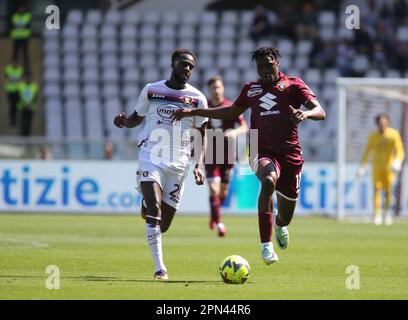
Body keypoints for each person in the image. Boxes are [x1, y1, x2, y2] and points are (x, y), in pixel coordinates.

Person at [172, 46, 326, 265]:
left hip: (290, 155)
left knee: (286, 216)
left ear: (277, 63)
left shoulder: (293, 85)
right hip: (259, 149)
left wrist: (306, 113)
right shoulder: (250, 89)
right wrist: (195, 112)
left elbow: (320, 111)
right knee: (268, 179)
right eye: (260, 66)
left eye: (268, 65)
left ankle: (279, 225)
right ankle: (266, 246)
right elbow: (229, 111)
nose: (264, 70)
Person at [113, 49, 208, 280]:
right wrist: (124, 122)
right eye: (183, 64)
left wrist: (199, 164)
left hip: (179, 163)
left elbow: (202, 134)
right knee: (155, 210)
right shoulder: (152, 89)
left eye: (191, 66)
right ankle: (160, 269)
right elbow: (137, 116)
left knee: (162, 225)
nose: (187, 69)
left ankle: (146, 206)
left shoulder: (197, 98)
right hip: (150, 156)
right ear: (172, 63)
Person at [205, 76, 247, 237]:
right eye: (213, 88)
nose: (216, 90)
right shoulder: (206, 108)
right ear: (209, 90)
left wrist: (234, 132)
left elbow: (244, 126)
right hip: (210, 153)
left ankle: (214, 215)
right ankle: (219, 224)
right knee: (213, 188)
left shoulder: (231, 106)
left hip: (228, 154)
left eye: (218, 87)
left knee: (223, 192)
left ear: (222, 88)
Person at [357, 114, 405, 225]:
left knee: (388, 192)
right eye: (380, 122)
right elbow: (367, 151)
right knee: (377, 190)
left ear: (388, 122)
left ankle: (387, 213)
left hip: (389, 168)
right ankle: (377, 214)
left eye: (383, 121)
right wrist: (362, 167)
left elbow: (400, 150)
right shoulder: (373, 136)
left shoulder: (393, 134)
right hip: (376, 167)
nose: (382, 123)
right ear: (377, 123)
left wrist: (397, 161)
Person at [10, 5, 32, 69]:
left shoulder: (28, 16)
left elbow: (27, 25)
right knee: (15, 53)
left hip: (25, 37)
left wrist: (19, 25)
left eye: (22, 8)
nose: (21, 10)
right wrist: (22, 26)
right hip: (16, 36)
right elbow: (13, 25)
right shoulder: (15, 16)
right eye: (20, 8)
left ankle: (27, 67)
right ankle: (14, 66)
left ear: (24, 9)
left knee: (25, 53)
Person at [4, 57, 24, 126]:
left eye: (16, 63)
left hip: (18, 90)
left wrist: (18, 80)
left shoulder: (20, 69)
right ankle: (12, 120)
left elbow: (23, 78)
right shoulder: (8, 69)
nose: (14, 64)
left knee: (17, 106)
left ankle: (17, 120)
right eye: (13, 62)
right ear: (11, 63)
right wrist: (10, 79)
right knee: (12, 105)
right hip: (10, 90)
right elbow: (4, 78)